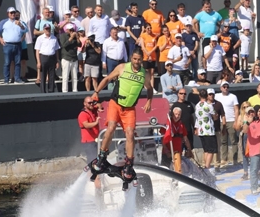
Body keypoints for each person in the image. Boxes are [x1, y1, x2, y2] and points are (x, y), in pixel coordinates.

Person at [90, 48, 154, 189]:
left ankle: (129, 163)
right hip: (115, 104)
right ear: (131, 57)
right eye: (135, 59)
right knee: (111, 128)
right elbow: (107, 79)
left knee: (130, 134)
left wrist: (149, 101)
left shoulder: (145, 74)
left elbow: (150, 88)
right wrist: (96, 92)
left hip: (130, 108)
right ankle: (102, 155)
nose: (136, 62)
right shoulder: (122, 68)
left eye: (139, 59)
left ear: (142, 60)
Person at [0, 7, 27, 84]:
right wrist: (0, 39)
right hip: (8, 45)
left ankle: (17, 78)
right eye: (11, 13)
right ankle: (6, 80)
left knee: (17, 62)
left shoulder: (19, 22)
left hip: (17, 45)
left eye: (14, 13)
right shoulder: (3, 22)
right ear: (8, 14)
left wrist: (20, 25)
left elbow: (25, 30)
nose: (13, 14)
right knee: (7, 62)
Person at [79, 96, 102, 193]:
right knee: (94, 162)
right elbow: (86, 125)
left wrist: (99, 107)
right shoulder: (82, 114)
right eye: (89, 103)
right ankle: (97, 185)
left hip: (96, 140)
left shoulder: (93, 109)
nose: (91, 104)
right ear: (84, 104)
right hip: (88, 142)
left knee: (95, 160)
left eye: (92, 102)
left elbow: (99, 104)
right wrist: (96, 122)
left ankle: (90, 179)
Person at [215, 81, 240, 168]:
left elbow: (236, 109)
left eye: (227, 87)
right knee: (223, 141)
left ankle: (235, 160)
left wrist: (236, 121)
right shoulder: (216, 96)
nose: (226, 88)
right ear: (221, 88)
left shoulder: (233, 97)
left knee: (234, 141)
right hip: (221, 121)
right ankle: (224, 159)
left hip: (231, 120)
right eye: (224, 87)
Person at [195, 89, 219, 174]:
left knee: (206, 149)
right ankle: (207, 167)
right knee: (211, 150)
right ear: (207, 96)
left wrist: (196, 128)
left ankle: (206, 165)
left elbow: (197, 118)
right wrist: (215, 115)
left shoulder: (197, 105)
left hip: (201, 129)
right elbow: (215, 116)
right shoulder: (208, 105)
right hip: (209, 130)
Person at [246, 105, 260, 194]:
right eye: (258, 111)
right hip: (254, 149)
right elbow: (244, 130)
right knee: (254, 169)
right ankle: (254, 187)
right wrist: (247, 122)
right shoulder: (249, 122)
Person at [167, 107, 194, 174]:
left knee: (178, 169)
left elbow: (185, 139)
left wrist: (189, 150)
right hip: (168, 151)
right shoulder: (168, 124)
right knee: (167, 170)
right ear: (172, 114)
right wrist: (166, 151)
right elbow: (163, 139)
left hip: (178, 151)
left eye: (179, 114)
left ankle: (179, 178)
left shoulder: (181, 125)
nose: (177, 116)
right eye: (175, 114)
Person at [34, 24, 60, 93]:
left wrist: (57, 61)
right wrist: (38, 62)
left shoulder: (54, 38)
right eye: (46, 29)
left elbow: (56, 50)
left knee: (51, 75)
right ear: (44, 29)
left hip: (52, 57)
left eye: (48, 28)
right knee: (43, 75)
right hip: (43, 57)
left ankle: (51, 90)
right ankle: (43, 91)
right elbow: (37, 51)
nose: (47, 30)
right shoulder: (40, 38)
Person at [60, 23, 80, 92]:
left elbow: (79, 44)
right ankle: (65, 91)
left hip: (74, 58)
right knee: (65, 76)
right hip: (66, 58)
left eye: (72, 29)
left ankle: (75, 90)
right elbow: (64, 45)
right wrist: (71, 38)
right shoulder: (63, 36)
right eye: (70, 30)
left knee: (74, 76)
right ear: (67, 30)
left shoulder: (75, 36)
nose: (72, 31)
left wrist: (77, 37)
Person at [138, 24, 158, 92]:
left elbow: (155, 46)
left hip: (153, 57)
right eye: (148, 28)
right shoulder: (143, 36)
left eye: (150, 28)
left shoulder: (154, 36)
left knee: (152, 73)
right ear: (145, 29)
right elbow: (143, 47)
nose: (149, 30)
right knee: (146, 73)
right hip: (145, 57)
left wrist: (151, 53)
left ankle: (152, 88)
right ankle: (146, 87)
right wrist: (148, 54)